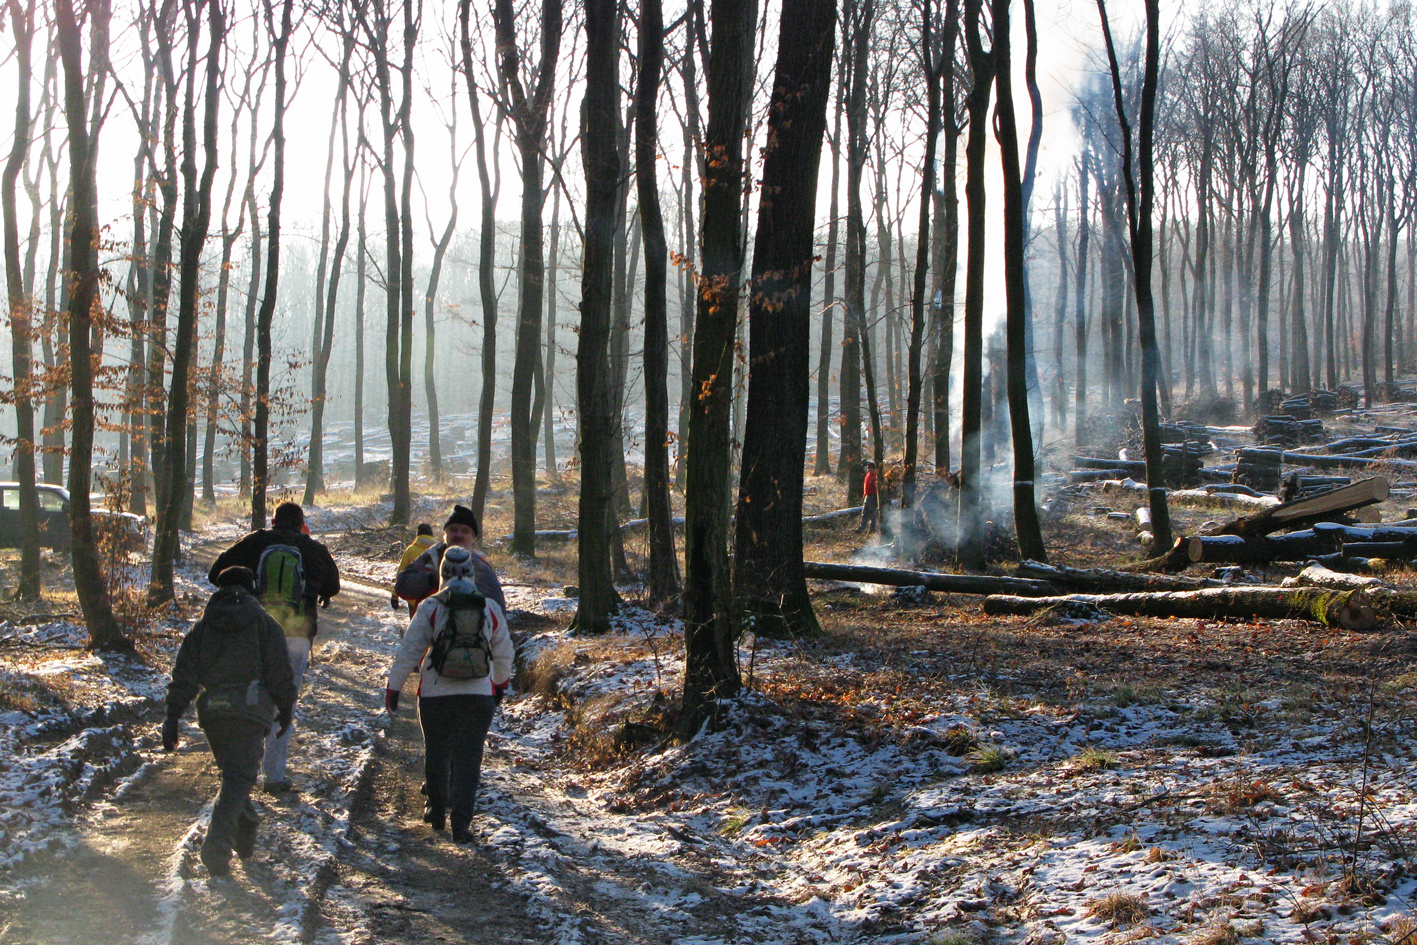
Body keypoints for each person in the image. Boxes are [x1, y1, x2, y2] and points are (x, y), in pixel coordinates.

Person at [163, 566, 297, 879]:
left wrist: (172, 716)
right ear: (253, 588)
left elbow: (184, 674)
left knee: (236, 777)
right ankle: (215, 850)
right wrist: (286, 709)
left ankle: (246, 824)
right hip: (250, 711)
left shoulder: (202, 627)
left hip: (213, 714)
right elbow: (281, 672)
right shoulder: (266, 624)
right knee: (238, 779)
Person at [208, 501, 340, 793]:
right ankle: (275, 777)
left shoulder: (256, 541)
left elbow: (216, 573)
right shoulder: (314, 549)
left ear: (273, 520)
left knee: (249, 697)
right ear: (301, 523)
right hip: (296, 635)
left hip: (255, 633)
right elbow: (333, 587)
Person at [385, 545, 513, 844]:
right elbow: (504, 653)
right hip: (478, 694)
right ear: (471, 573)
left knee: (437, 750)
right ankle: (462, 826)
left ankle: (438, 810)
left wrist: (393, 687)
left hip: (434, 693)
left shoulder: (431, 607)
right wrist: (498, 685)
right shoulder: (489, 607)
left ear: (442, 573)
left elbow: (409, 652)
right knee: (469, 758)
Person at [394, 504, 505, 612]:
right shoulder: (430, 557)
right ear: (445, 534)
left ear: (473, 538)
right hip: (426, 628)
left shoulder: (481, 567)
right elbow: (401, 587)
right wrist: (433, 578)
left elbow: (498, 611)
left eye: (465, 531)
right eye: (453, 529)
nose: (458, 535)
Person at [391, 523, 437, 611]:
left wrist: (395, 595)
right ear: (431, 535)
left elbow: (401, 572)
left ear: (417, 535)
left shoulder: (410, 550)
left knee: (414, 623)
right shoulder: (438, 549)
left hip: (414, 596)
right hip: (433, 597)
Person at [858, 460, 879, 534]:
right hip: (867, 495)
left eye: (870, 468)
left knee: (872, 513)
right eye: (868, 468)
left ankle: (872, 529)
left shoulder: (875, 476)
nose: (869, 469)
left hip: (873, 496)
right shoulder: (867, 475)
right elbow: (865, 485)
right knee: (864, 513)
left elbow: (877, 488)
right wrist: (864, 495)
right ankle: (861, 528)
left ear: (874, 468)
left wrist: (876, 497)